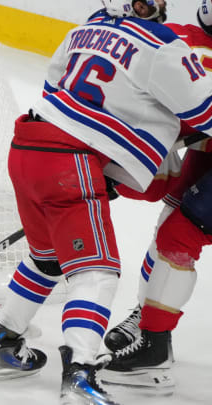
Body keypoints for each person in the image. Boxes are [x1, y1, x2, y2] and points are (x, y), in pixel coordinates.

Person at [0, 0, 212, 403]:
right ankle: (79, 375)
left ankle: (2, 344)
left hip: (27, 145)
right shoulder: (165, 45)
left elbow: (60, 94)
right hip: (70, 163)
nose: (157, 5)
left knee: (47, 259)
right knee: (96, 273)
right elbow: (203, 112)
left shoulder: (85, 28)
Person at [99, 0, 212, 392]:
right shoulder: (181, 40)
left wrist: (122, 170)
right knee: (171, 227)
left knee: (178, 237)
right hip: (206, 156)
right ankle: (148, 321)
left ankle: (154, 350)